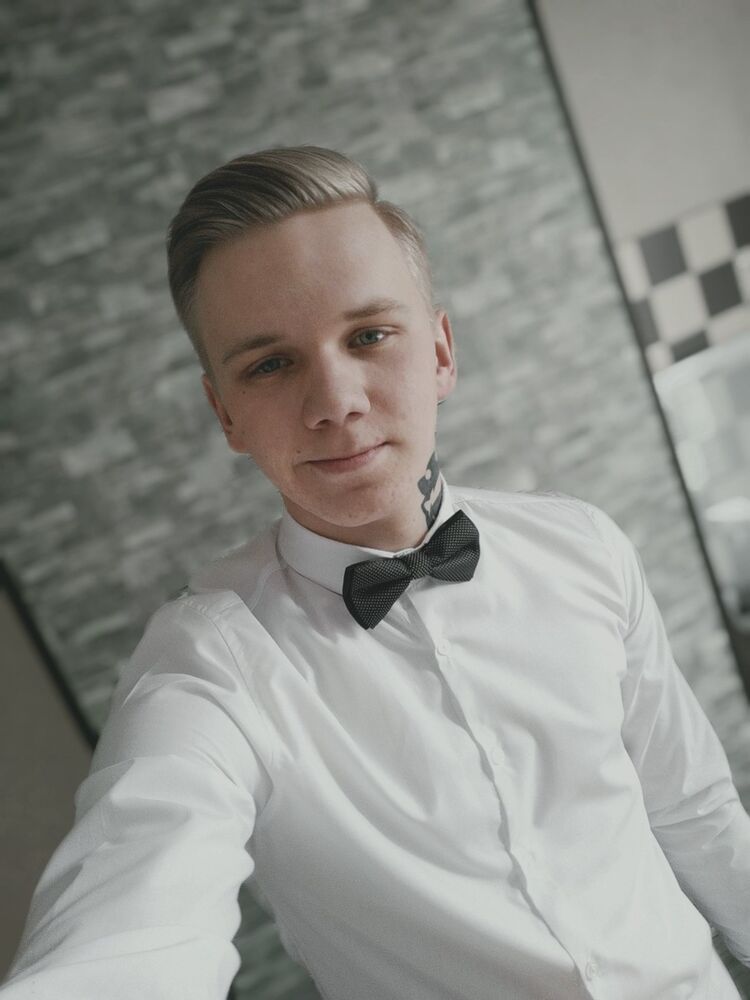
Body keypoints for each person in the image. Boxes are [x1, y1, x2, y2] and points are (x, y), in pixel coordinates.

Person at [2, 145, 749, 1000]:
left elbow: (694, 811)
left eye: (368, 336)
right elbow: (131, 931)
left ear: (440, 352)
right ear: (225, 412)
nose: (336, 402)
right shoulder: (207, 666)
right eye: (270, 364)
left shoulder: (585, 545)